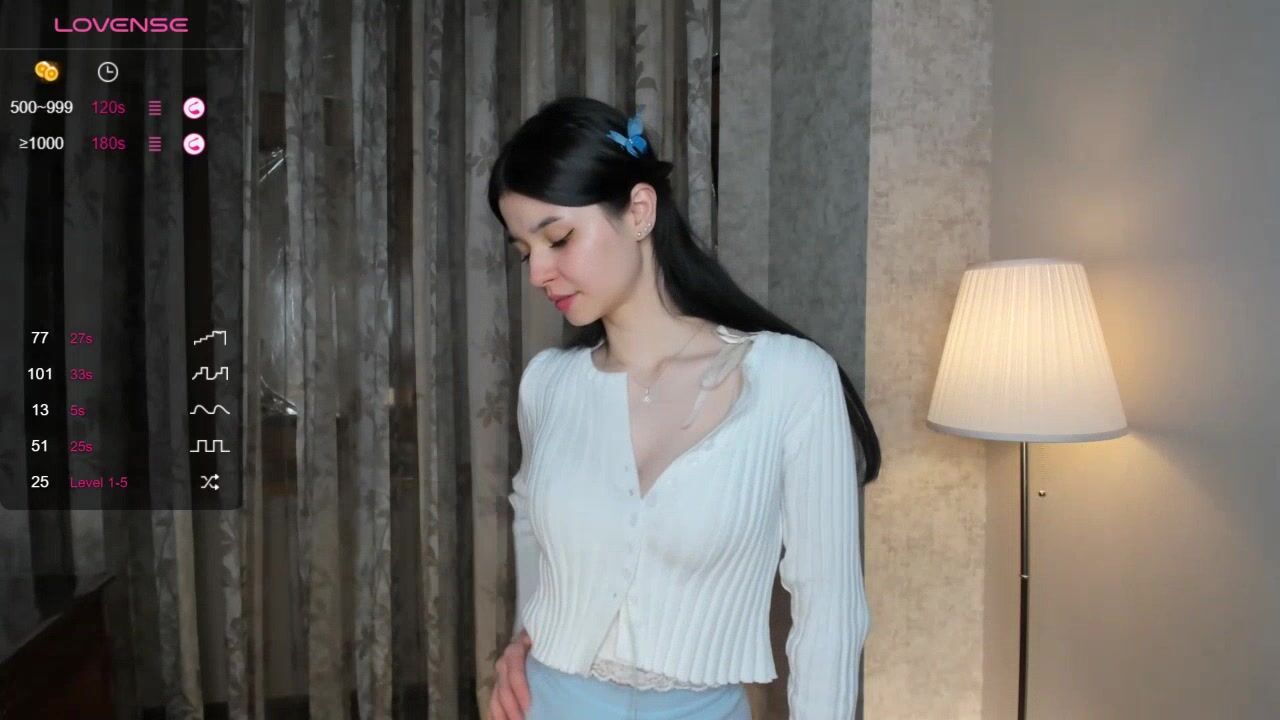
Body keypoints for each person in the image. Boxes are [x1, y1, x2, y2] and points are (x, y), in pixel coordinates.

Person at [486, 96, 880, 720]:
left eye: (558, 238)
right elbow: (531, 524)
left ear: (639, 211)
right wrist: (522, 638)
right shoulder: (549, 385)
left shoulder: (791, 380)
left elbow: (829, 610)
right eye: (524, 250)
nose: (538, 272)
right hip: (549, 700)